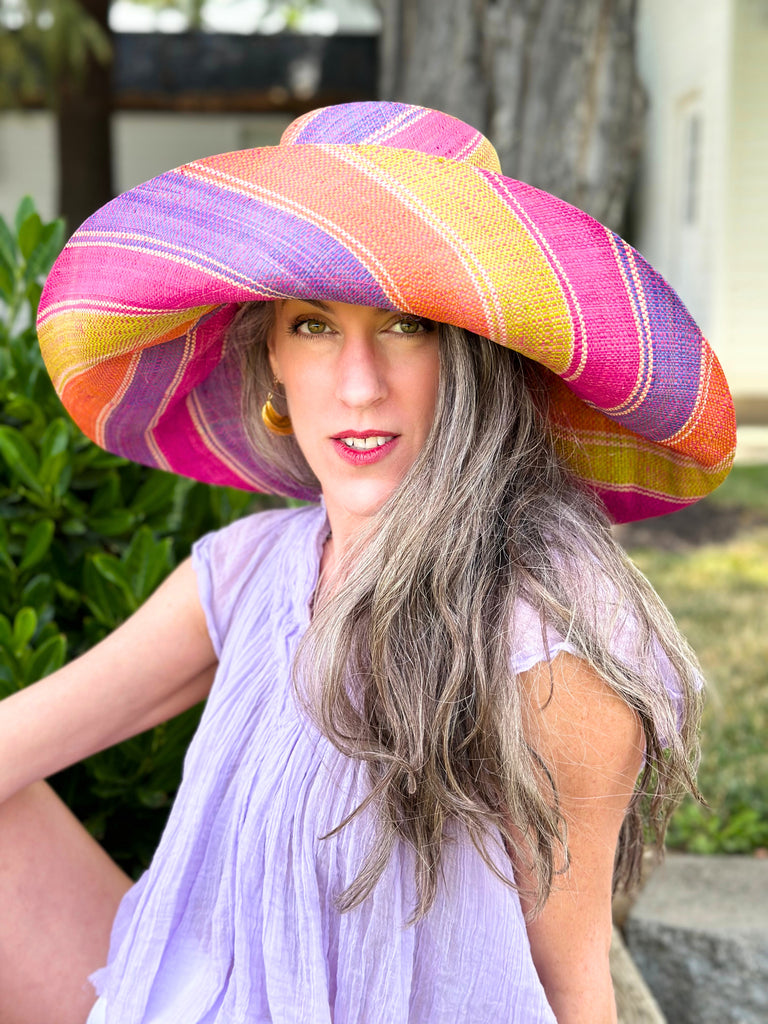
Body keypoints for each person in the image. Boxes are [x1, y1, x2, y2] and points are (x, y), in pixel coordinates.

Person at [0, 102, 735, 1024]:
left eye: (404, 326)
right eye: (313, 326)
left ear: (477, 355)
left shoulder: (547, 628)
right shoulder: (254, 568)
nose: (357, 384)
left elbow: (568, 985)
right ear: (270, 358)